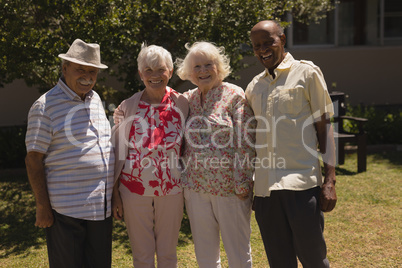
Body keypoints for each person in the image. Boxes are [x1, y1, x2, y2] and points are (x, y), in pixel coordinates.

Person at [245, 20, 337, 268]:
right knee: (279, 262)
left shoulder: (307, 73)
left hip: (301, 186)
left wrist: (330, 180)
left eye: (268, 42)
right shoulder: (254, 87)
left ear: (282, 40)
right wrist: (254, 186)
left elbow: (324, 126)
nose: (262, 49)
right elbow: (253, 140)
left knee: (313, 259)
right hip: (265, 191)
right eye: (257, 46)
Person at [25, 39, 114, 268]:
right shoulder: (45, 105)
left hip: (100, 209)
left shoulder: (94, 99)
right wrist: (42, 206)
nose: (87, 76)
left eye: (92, 71)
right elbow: (33, 159)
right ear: (64, 68)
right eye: (80, 69)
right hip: (66, 212)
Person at [176, 41, 256, 268]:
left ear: (218, 66)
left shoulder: (234, 95)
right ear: (190, 72)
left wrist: (242, 182)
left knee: (238, 254)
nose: (202, 71)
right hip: (195, 188)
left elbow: (246, 141)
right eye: (197, 66)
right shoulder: (187, 99)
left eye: (208, 64)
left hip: (229, 189)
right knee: (205, 256)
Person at [111, 43, 188, 268]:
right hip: (133, 191)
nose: (155, 75)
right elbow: (116, 155)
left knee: (168, 254)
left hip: (172, 190)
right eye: (148, 70)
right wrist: (115, 194)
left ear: (170, 72)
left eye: (160, 69)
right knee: (142, 256)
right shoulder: (126, 108)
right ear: (140, 73)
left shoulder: (183, 103)